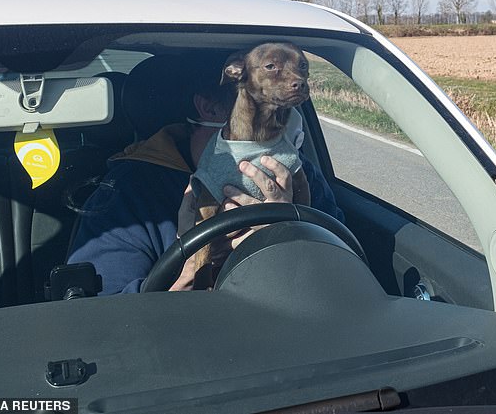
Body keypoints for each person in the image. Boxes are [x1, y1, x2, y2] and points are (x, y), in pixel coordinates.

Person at [68, 55, 342, 295]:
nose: (278, 124)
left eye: (283, 111)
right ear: (209, 109)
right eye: (264, 109)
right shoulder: (128, 193)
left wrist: (294, 230)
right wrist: (191, 267)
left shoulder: (298, 174)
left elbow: (346, 270)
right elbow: (104, 317)